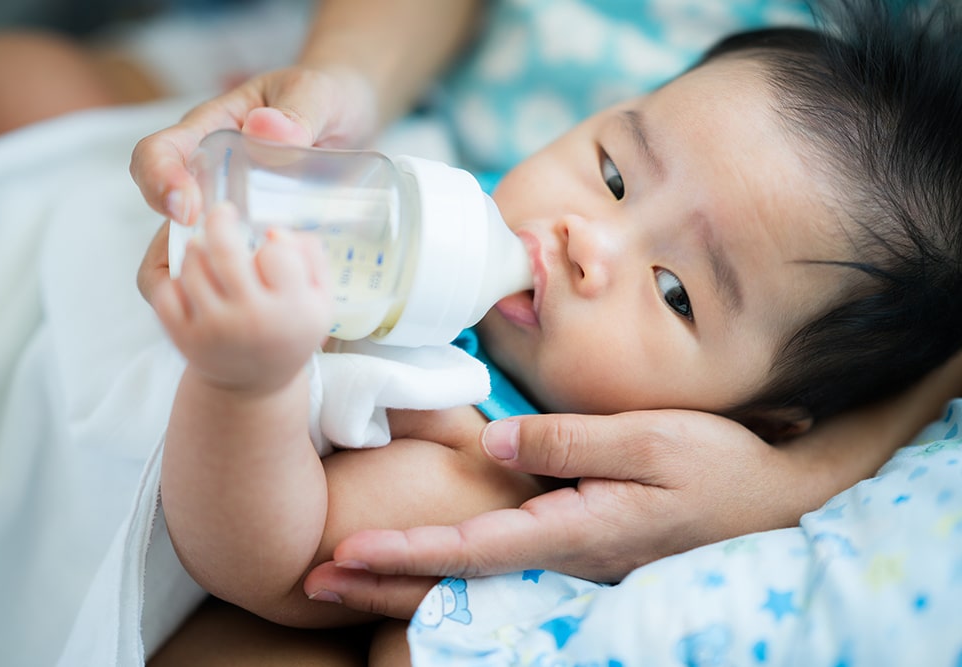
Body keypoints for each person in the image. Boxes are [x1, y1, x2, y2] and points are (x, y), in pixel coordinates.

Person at [140, 0, 962, 661]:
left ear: (749, 425)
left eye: (675, 292)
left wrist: (249, 386)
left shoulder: (486, 460)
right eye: (613, 174)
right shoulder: (461, 198)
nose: (587, 239)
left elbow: (264, 567)